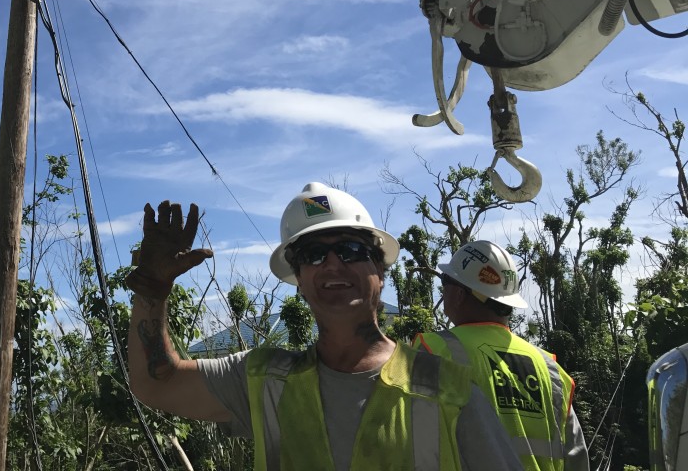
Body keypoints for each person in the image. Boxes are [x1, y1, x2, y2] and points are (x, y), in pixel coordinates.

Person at [125, 182, 524, 471]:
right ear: (298, 281)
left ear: (380, 273)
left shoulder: (451, 392)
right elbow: (156, 383)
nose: (332, 264)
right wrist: (153, 290)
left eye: (351, 249)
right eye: (313, 254)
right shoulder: (263, 379)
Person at [413, 240, 590, 471]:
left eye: (445, 281)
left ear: (458, 294)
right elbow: (576, 458)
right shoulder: (550, 369)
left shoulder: (433, 350)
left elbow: (410, 444)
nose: (442, 289)